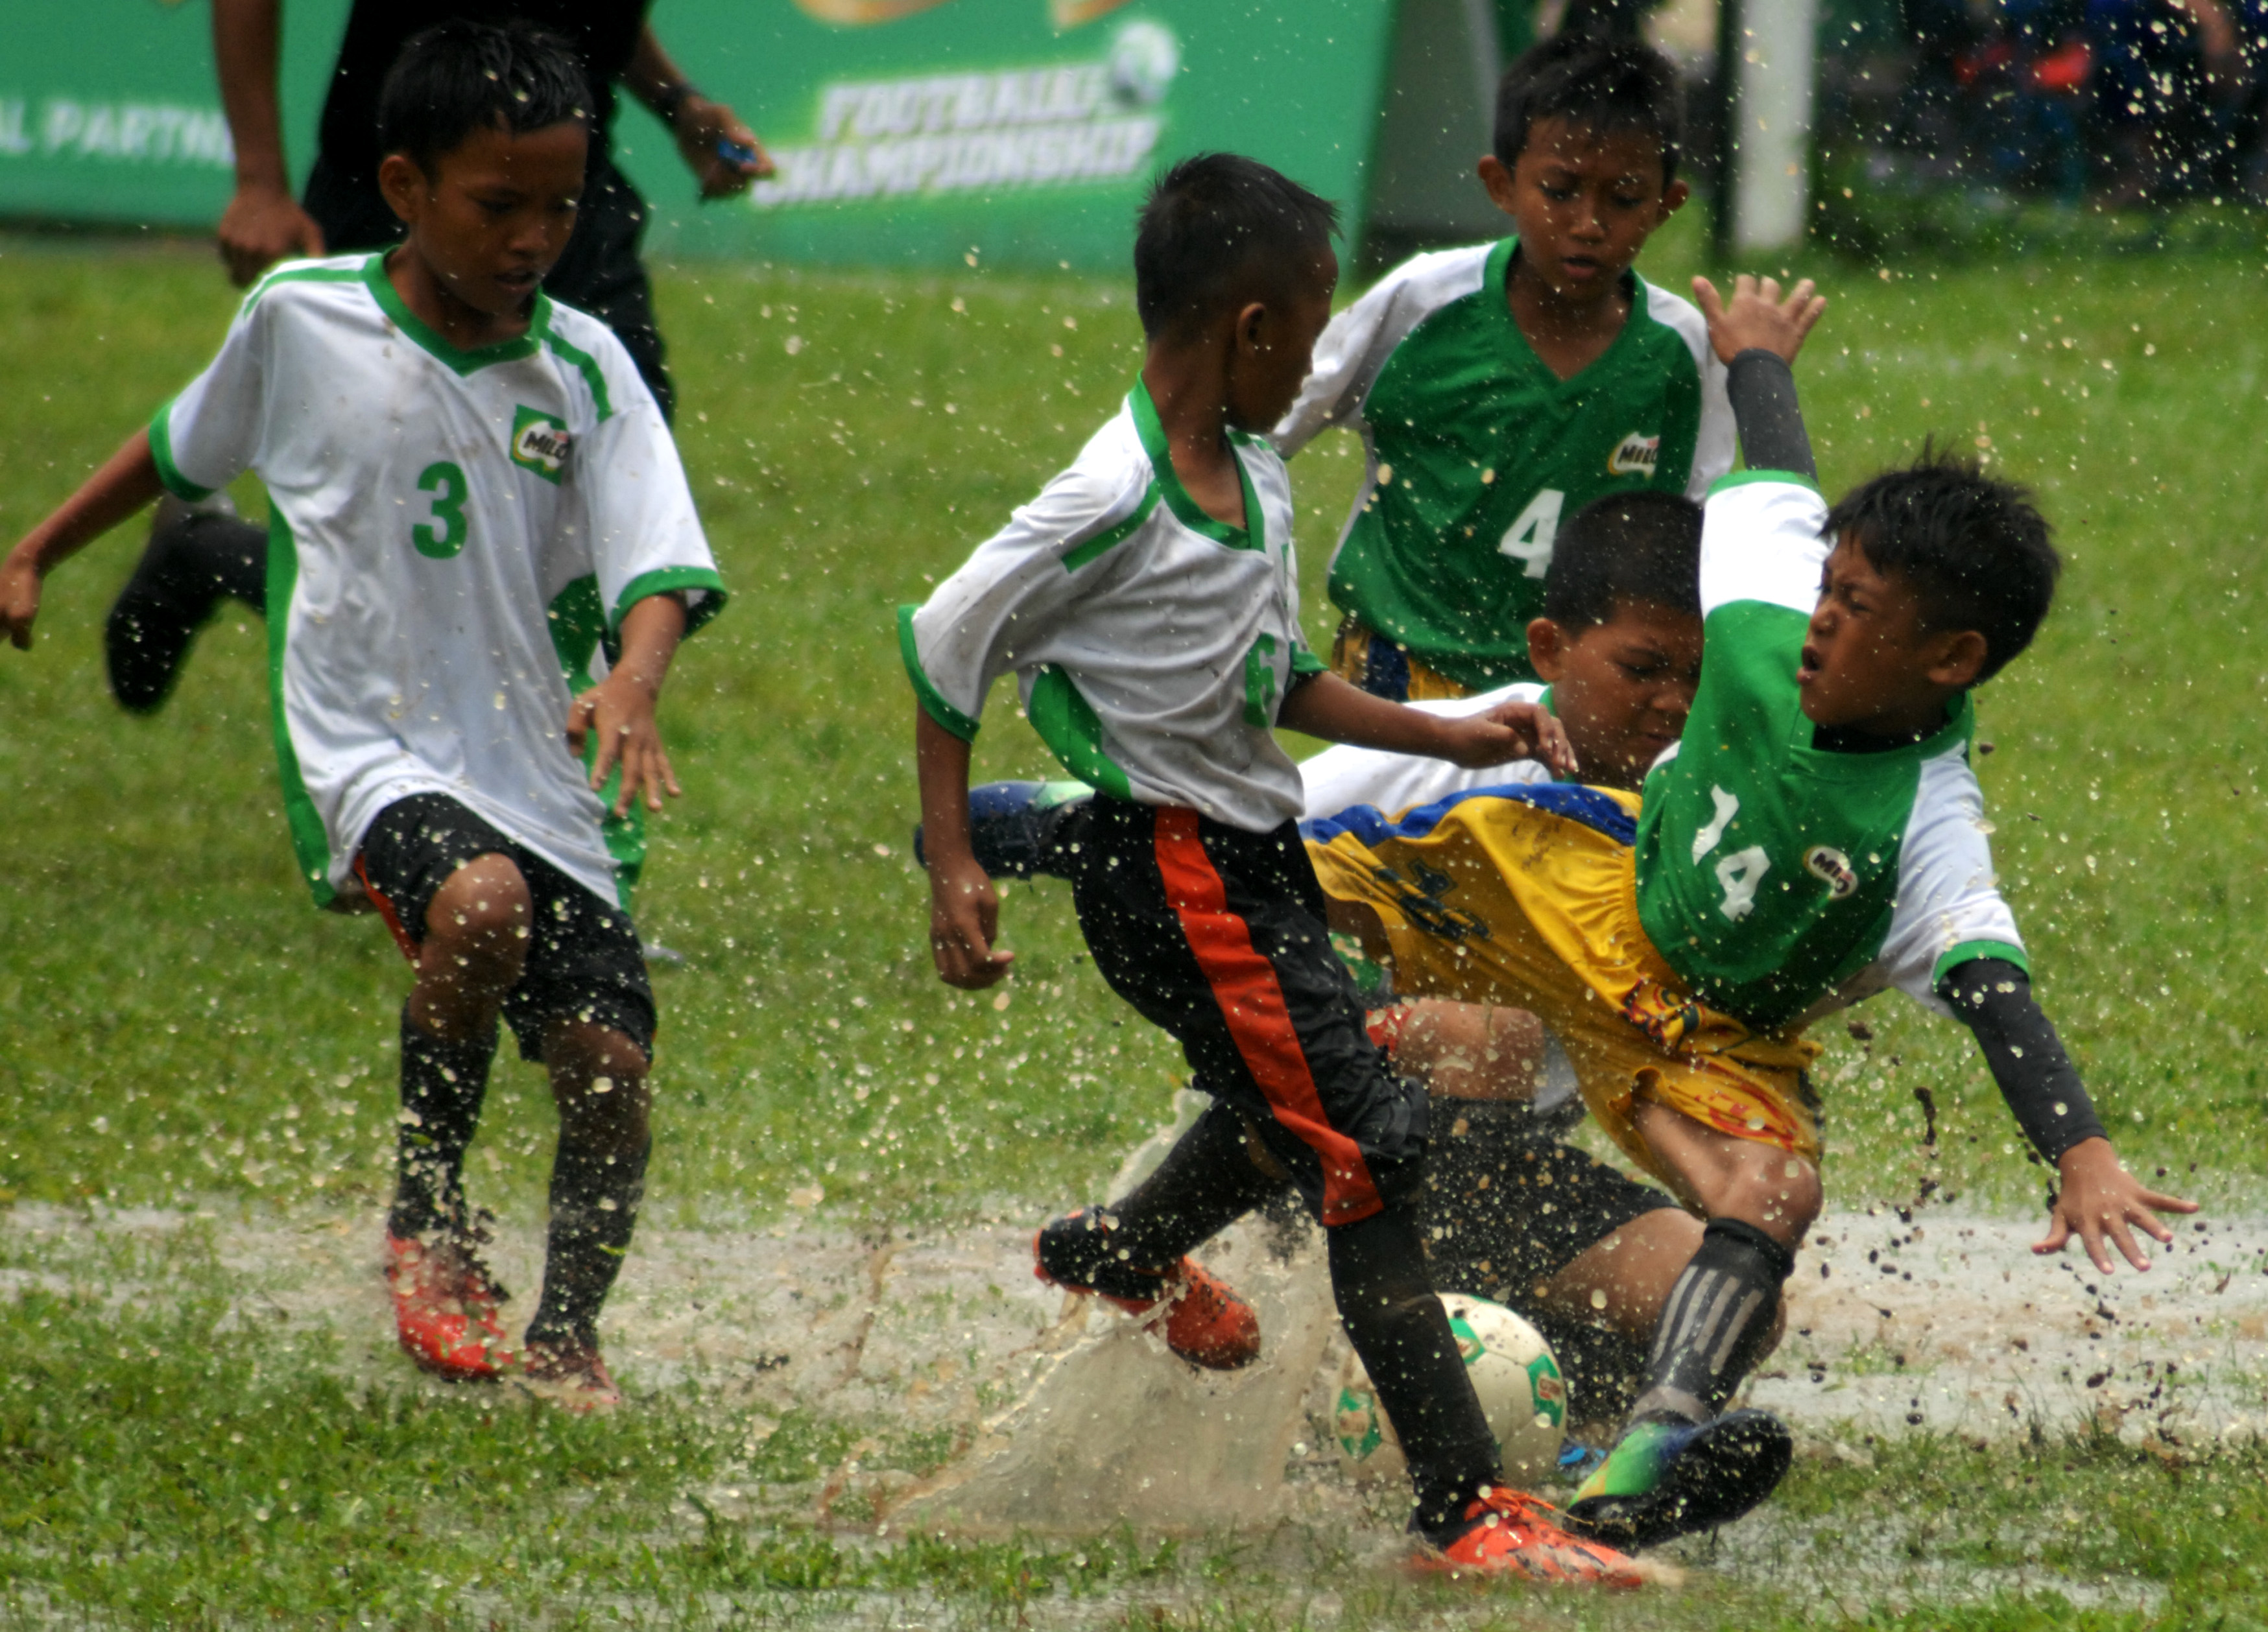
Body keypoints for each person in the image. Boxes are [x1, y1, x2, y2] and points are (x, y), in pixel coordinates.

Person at [1301, 274, 2199, 1546]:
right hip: (1589, 915)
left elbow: (1996, 987)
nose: (1814, 623)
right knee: (1434, 1027)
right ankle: (1252, 1228)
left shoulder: (1922, 829)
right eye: (1823, 590)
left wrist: (2079, 1148)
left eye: (1854, 614)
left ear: (1947, 661)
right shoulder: (1771, 592)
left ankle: (1630, 1467)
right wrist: (1753, 355)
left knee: (1767, 1201)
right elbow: (1777, 470)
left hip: (1698, 1039)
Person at [905, 152, 1651, 1586]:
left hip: (1246, 859)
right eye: (1309, 334)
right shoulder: (1111, 494)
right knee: (1364, 1148)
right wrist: (952, 860)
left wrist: (1444, 730)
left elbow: (1273, 679)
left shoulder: (1249, 468)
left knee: (1290, 1107)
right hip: (1180, 876)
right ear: (1251, 331)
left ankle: (1124, 1248)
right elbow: (942, 642)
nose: (1316, 361)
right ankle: (1464, 1508)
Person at [0, 21, 727, 1412]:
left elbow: (661, 565)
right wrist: (36, 546)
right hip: (367, 741)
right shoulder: (302, 318)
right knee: (481, 907)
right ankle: (430, 1218)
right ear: (403, 186)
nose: (534, 238)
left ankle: (570, 1339)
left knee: (608, 1060)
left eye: (562, 208)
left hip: (540, 758)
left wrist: (634, 679)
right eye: (497, 205)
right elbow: (178, 446)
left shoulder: (585, 370)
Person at [933, 490, 1791, 1543]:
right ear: (1552, 648)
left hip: (1508, 1161)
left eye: (1701, 680)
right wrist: (1391, 1015)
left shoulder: (1708, 804)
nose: (1672, 704)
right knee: (1420, 1072)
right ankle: (1239, 1298)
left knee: (1730, 1306)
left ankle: (1571, 1447)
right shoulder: (1460, 750)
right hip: (1335, 1139)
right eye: (1645, 668)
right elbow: (1240, 835)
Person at [106, 0, 769, 717]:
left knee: (623, 513)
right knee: (389, 548)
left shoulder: (557, 227)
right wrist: (260, 180)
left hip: (568, 188)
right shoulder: (404, 194)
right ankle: (205, 552)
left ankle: (567, 738)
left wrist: (677, 103)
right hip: (412, 197)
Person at [1271, 31, 1737, 702]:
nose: (1588, 222)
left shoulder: (1685, 350)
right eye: (1559, 189)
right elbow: (1272, 422)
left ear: (1667, 204)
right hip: (1399, 675)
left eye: (1625, 198)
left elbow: (1698, 534)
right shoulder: (1422, 302)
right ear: (1500, 185)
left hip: (1579, 703)